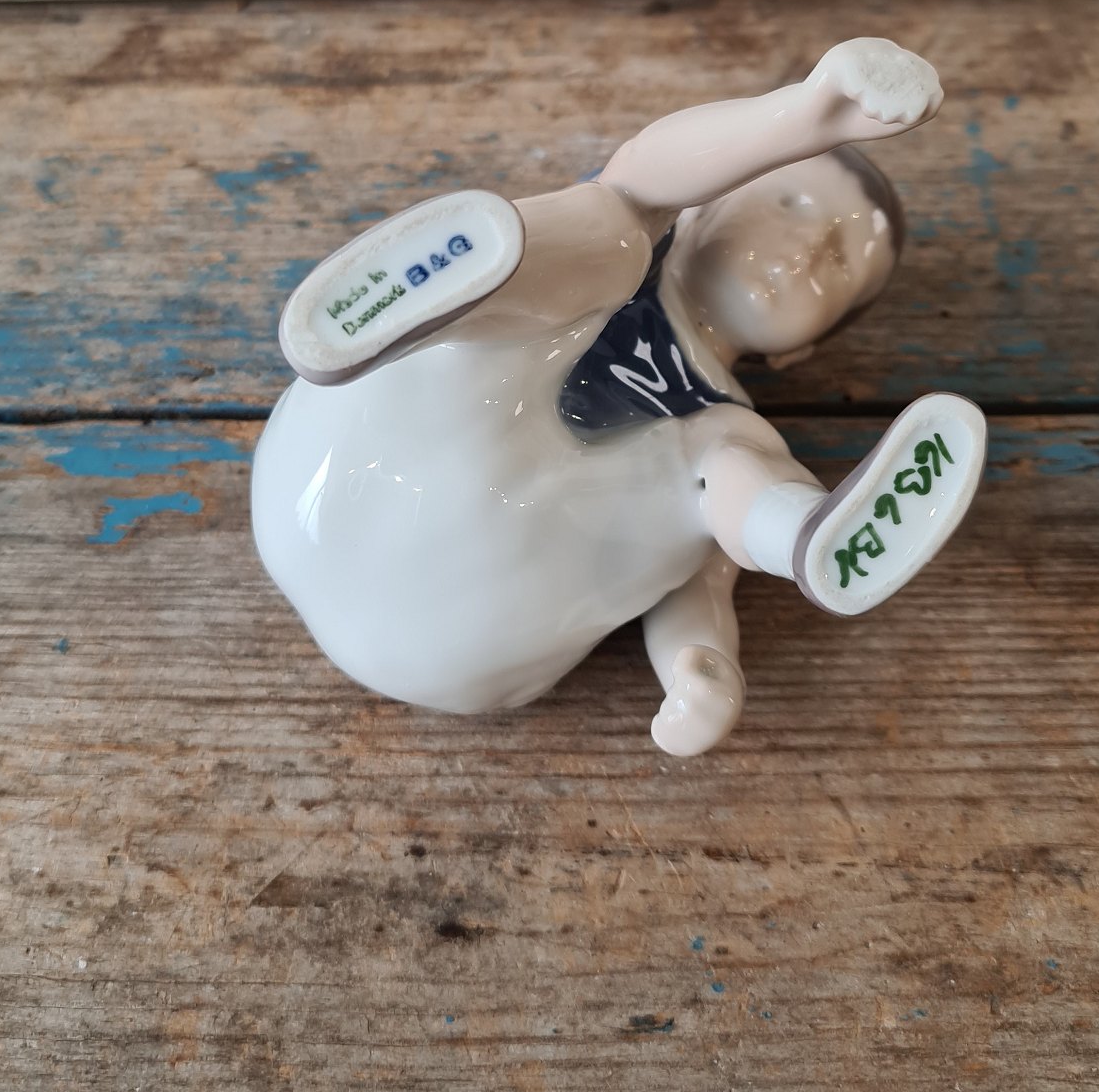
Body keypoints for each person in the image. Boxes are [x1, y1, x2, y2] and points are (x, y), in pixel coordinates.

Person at [256, 38, 986, 756]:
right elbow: (648, 171)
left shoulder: (724, 423)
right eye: (790, 203)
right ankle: (437, 294)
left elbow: (698, 592)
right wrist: (805, 114)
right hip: (344, 465)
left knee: (728, 460)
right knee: (615, 221)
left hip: (457, 638)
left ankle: (804, 535)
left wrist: (702, 668)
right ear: (705, 206)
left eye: (838, 264)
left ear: (800, 351)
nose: (806, 251)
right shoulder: (635, 249)